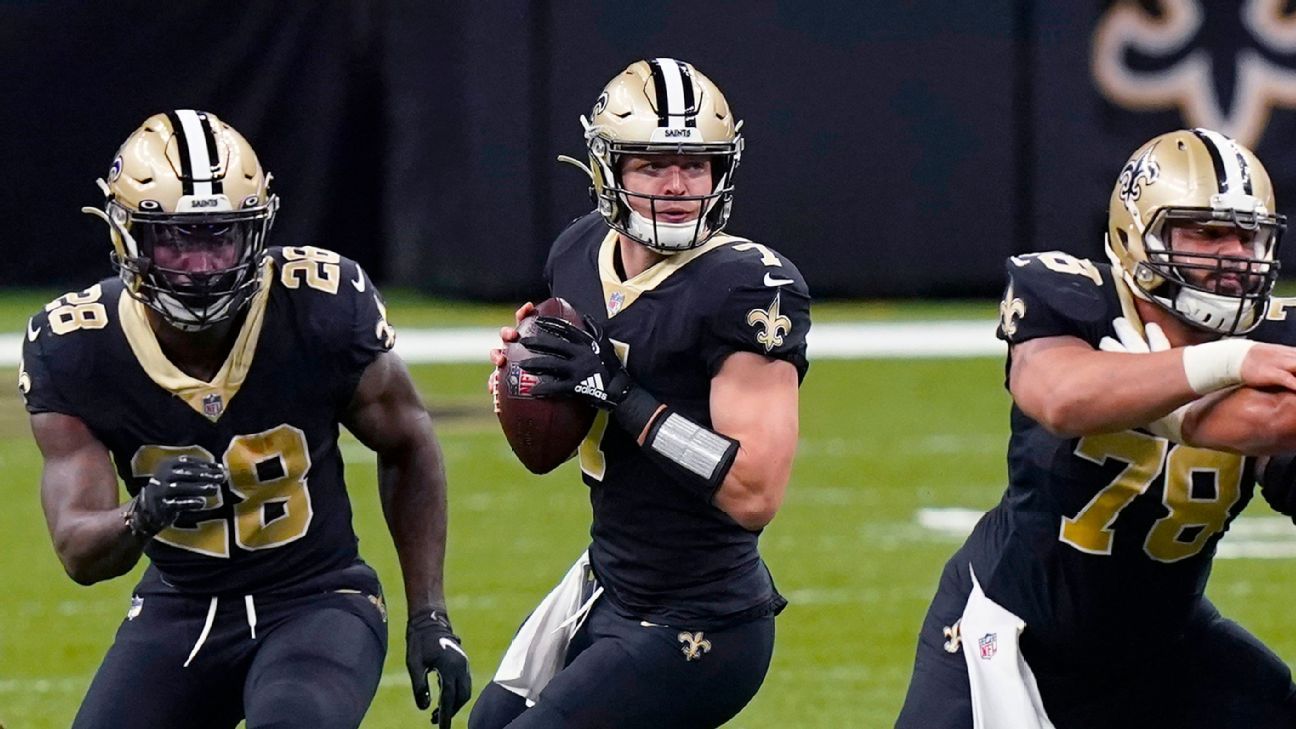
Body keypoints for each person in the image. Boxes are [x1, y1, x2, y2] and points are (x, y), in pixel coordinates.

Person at [21, 110, 470, 729]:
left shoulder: (320, 303)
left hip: (318, 599)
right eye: (175, 239)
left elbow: (409, 442)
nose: (201, 266)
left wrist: (430, 616)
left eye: (219, 237)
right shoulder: (77, 344)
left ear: (256, 232)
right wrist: (143, 513)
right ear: (126, 237)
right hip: (178, 608)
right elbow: (78, 550)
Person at [895, 128, 1296, 729]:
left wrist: (1148, 390)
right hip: (1013, 633)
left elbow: (1275, 423)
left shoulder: (1278, 332)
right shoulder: (1069, 293)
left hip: (1167, 645)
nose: (1232, 257)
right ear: (1137, 233)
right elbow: (1059, 396)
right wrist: (1229, 364)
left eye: (1246, 236)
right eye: (1207, 233)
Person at [470, 58, 812, 729]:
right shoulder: (578, 252)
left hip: (701, 618)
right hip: (608, 581)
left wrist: (620, 394)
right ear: (609, 170)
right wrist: (526, 378)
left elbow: (755, 492)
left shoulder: (748, 286)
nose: (679, 185)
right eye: (653, 164)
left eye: (696, 164)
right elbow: (555, 430)